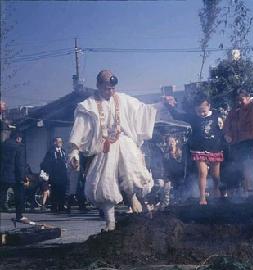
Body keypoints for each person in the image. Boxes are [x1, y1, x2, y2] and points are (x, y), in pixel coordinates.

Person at [67, 70, 157, 231]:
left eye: (113, 88)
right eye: (107, 88)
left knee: (134, 174)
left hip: (124, 144)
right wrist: (74, 151)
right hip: (103, 149)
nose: (110, 92)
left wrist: (162, 103)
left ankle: (133, 198)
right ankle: (110, 222)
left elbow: (143, 109)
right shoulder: (89, 105)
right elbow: (79, 130)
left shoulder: (122, 99)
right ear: (98, 86)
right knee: (104, 184)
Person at [165, 91, 224, 205]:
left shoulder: (216, 116)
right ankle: (202, 198)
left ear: (209, 106)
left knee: (215, 176)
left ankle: (216, 190)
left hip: (215, 149)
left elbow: (222, 130)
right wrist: (169, 106)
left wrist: (226, 140)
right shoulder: (192, 117)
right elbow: (177, 115)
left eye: (203, 111)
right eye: (198, 111)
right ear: (195, 109)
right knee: (202, 172)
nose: (201, 113)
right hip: (199, 150)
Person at [223, 88, 253, 194]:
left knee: (248, 165)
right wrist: (227, 135)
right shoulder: (233, 112)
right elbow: (227, 126)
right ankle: (245, 190)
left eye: (242, 99)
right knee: (240, 166)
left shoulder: (252, 106)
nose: (240, 102)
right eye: (237, 100)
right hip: (237, 143)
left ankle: (251, 189)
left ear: (248, 97)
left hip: (250, 141)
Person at [0, 131, 33, 223]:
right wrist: (23, 178)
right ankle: (19, 216)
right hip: (15, 176)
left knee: (1, 195)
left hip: (2, 175)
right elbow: (20, 164)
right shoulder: (20, 146)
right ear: (18, 138)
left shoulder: (3, 145)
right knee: (19, 196)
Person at [41, 137, 69, 212]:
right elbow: (45, 163)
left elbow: (66, 161)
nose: (60, 143)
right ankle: (54, 207)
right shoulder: (50, 152)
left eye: (61, 141)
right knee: (55, 191)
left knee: (62, 191)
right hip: (54, 175)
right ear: (55, 143)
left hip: (62, 174)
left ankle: (61, 206)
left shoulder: (63, 151)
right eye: (59, 141)